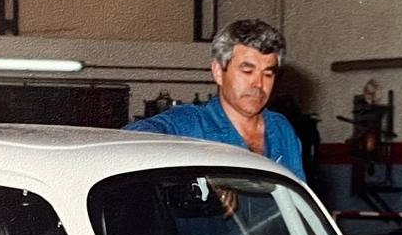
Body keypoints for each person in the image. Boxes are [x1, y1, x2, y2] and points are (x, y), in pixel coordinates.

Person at [126, 19, 304, 178]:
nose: (258, 84)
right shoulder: (191, 124)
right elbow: (129, 139)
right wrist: (206, 172)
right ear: (218, 72)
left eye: (268, 74)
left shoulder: (281, 129)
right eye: (247, 71)